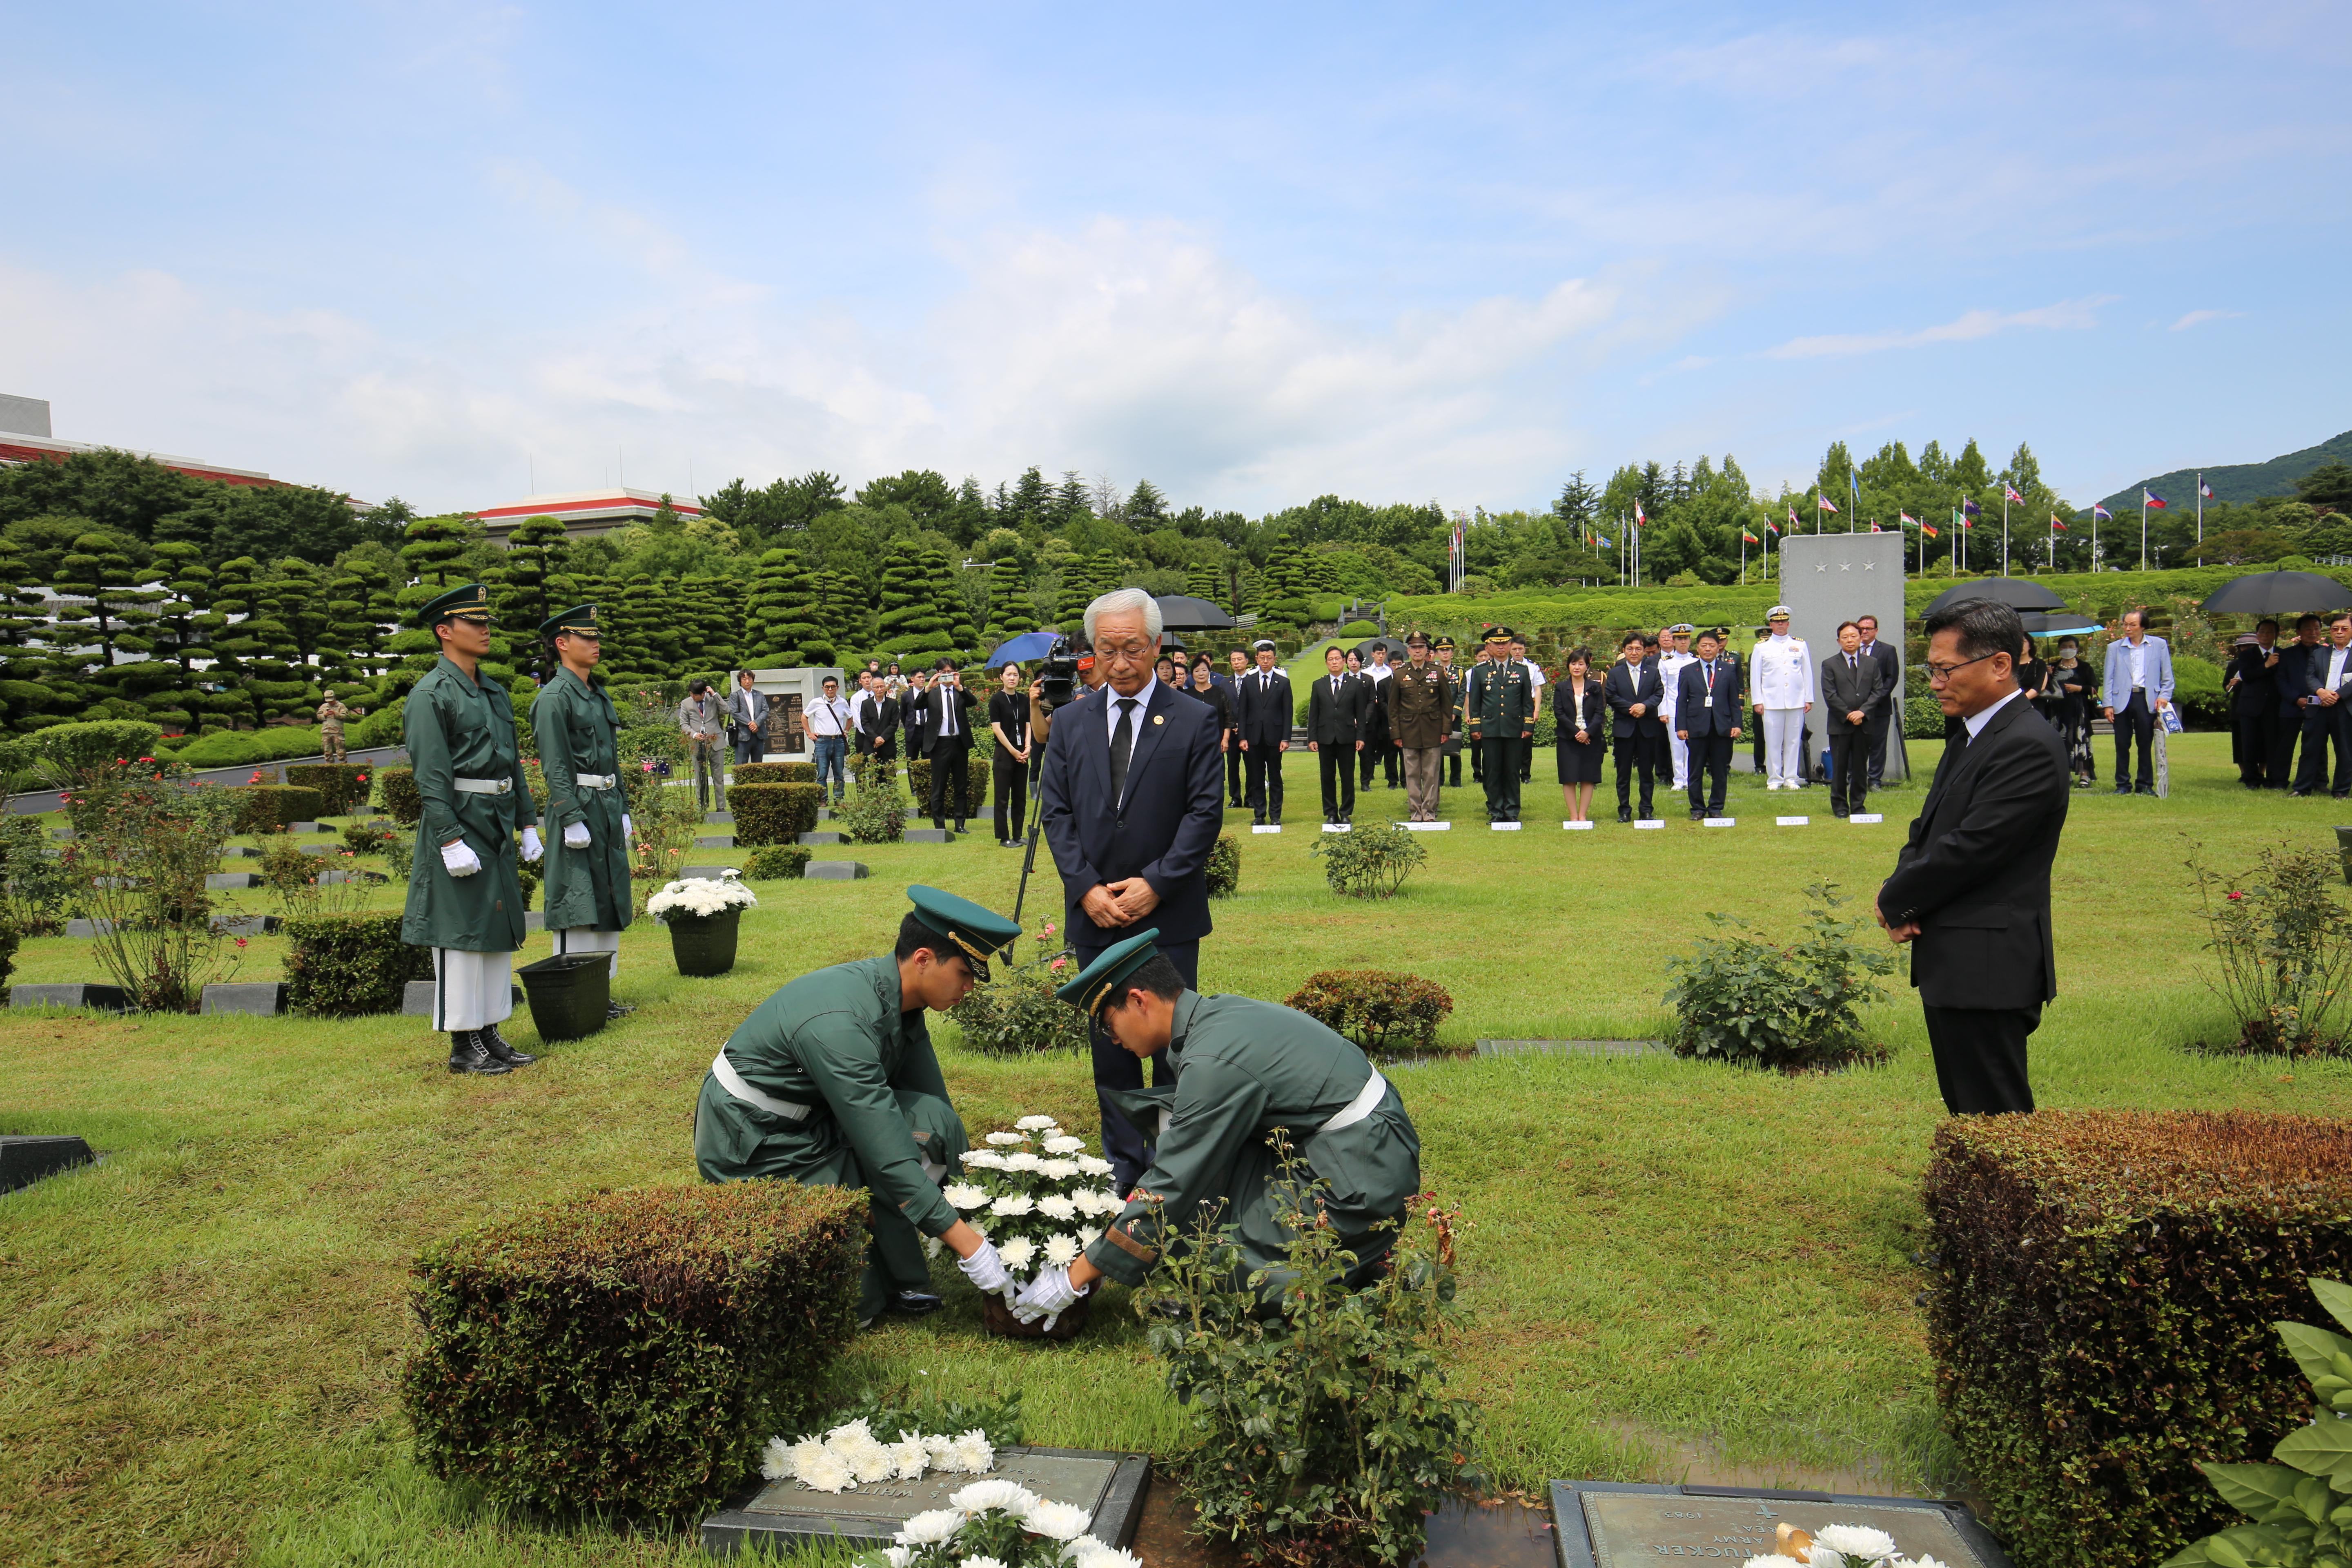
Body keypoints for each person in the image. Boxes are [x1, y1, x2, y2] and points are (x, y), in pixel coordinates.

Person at [1008, 928, 1422, 1325]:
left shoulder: (1213, 1061)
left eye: (1106, 1023)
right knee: (1193, 1187)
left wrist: (1073, 1278)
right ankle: (1364, 1259)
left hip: (1361, 1178)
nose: (1110, 1039)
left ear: (1138, 1000)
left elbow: (1172, 1184)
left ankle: (1359, 1267)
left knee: (1211, 1260)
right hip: (1360, 1148)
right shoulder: (1216, 1015)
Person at [695, 885, 1025, 1327]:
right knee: (856, 1305)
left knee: (934, 1122)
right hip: (757, 1137)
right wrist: (971, 1246)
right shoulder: (841, 1026)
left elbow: (935, 1106)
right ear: (923, 959)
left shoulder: (902, 1000)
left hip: (816, 1115)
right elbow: (885, 1150)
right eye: (965, 973)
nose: (969, 988)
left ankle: (902, 1269)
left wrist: (988, 1210)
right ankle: (884, 1271)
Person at [1035, 588, 1225, 1194]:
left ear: (1157, 645)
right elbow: (1056, 813)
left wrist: (1156, 885)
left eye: (1133, 649)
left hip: (1168, 916)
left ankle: (1179, 1168)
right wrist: (1088, 890)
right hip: (1096, 917)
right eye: (1107, 650)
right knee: (1112, 1048)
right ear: (1091, 652)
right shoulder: (1068, 722)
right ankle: (1124, 1170)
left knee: (1176, 1049)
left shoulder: (1195, 717)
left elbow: (1204, 815)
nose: (1121, 663)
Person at [1875, 599, 2070, 1116]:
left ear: (2000, 664)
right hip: (1956, 956)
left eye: (1945, 670)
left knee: (1996, 1114)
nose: (1935, 682)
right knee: (1967, 1106)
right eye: (1931, 669)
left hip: (1989, 965)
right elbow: (1929, 828)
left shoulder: (2027, 744)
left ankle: (2019, 1200)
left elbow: (1975, 847)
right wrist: (1900, 892)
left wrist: (1897, 900)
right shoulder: (1971, 734)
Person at [400, 583, 543, 1076]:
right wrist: (449, 838)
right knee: (461, 933)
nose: (485, 631)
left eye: (486, 624)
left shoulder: (494, 690)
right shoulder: (430, 695)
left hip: (498, 820)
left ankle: (488, 1031)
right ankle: (463, 1043)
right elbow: (432, 776)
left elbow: (513, 765)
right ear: (445, 631)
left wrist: (527, 822)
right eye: (474, 623)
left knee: (494, 926)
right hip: (462, 821)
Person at [531, 604, 634, 1020]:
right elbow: (554, 763)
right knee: (578, 900)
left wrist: (622, 806)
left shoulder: (596, 692)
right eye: (586, 638)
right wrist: (569, 815)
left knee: (608, 897)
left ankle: (600, 992)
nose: (595, 644)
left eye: (596, 638)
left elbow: (611, 757)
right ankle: (576, 988)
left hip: (606, 804)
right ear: (562, 644)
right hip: (579, 805)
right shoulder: (555, 697)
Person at [1463, 628, 1534, 824]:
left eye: (1505, 643)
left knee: (1512, 771)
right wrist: (1475, 727)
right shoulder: (1480, 671)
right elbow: (1475, 702)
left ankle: (1512, 811)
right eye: (1497, 643)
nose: (1501, 647)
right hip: (1490, 728)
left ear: (1511, 645)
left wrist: (1528, 725)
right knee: (1492, 771)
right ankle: (1495, 810)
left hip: (1514, 727)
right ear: (1489, 647)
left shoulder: (1522, 670)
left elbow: (1527, 702)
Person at [2101, 608, 2174, 796]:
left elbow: (2167, 676)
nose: (2127, 628)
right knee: (2122, 743)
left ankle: (2145, 784)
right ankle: (2123, 784)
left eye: (2132, 625)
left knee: (2145, 743)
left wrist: (2164, 696)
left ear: (2143, 626)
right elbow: (2108, 678)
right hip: (2121, 700)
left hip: (2147, 699)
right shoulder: (2115, 648)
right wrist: (2108, 704)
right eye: (2125, 624)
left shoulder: (2158, 645)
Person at [1820, 621, 1888, 820]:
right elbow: (1830, 694)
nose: (1850, 640)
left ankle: (1858, 805)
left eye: (1854, 636)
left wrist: (1862, 713)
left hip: (1864, 724)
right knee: (1840, 768)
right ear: (1839, 641)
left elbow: (1878, 691)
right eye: (1845, 637)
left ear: (1861, 638)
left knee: (1860, 767)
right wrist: (1849, 715)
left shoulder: (1872, 663)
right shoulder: (1830, 664)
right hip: (1840, 725)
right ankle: (1840, 806)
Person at [1674, 628, 1743, 820]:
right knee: (1695, 771)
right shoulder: (1688, 671)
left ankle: (1716, 807)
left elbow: (1734, 701)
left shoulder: (1728, 670)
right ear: (1698, 648)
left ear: (1718, 647)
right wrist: (1681, 727)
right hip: (1696, 727)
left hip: (1722, 727)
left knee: (1720, 771)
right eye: (1704, 645)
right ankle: (1697, 808)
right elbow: (1682, 700)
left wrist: (1737, 724)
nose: (1708, 649)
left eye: (1712, 646)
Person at [1387, 632, 1454, 822]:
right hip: (1408, 730)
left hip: (1433, 728)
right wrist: (1396, 733)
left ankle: (1430, 810)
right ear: (1408, 651)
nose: (1418, 651)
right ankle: (1416, 811)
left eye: (1421, 647)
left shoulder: (1438, 671)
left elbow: (1446, 703)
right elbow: (1393, 708)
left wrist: (1445, 730)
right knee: (1412, 773)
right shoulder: (1400, 674)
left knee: (1431, 773)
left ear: (1427, 650)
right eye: (1414, 648)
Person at [2290, 612, 2352, 798]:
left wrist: (2337, 695)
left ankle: (2341, 791)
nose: (2339, 633)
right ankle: (2302, 788)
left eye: (2344, 629)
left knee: (2345, 751)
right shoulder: (2319, 653)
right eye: (2335, 629)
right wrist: (2321, 692)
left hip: (2345, 708)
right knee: (2310, 749)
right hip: (2319, 706)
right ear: (2330, 632)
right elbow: (2310, 676)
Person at [1752, 607, 1814, 790]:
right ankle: (1774, 778)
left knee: (1794, 741)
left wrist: (1808, 698)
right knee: (1772, 741)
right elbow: (1756, 677)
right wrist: (1758, 701)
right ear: (1771, 624)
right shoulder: (1761, 648)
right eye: (1776, 622)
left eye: (1784, 621)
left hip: (1796, 700)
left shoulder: (1800, 645)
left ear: (1788, 623)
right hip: (1771, 702)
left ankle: (1791, 778)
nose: (1780, 624)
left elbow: (1807, 672)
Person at [1604, 632, 1664, 823]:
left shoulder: (1653, 672)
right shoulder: (1615, 673)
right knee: (1624, 773)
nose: (1634, 652)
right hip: (1625, 728)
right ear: (1624, 651)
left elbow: (1659, 693)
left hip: (1647, 728)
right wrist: (1631, 709)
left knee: (1647, 773)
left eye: (1638, 649)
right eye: (1630, 649)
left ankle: (1646, 810)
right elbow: (1611, 696)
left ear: (1644, 651)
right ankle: (1624, 811)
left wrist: (1645, 706)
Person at [1306, 645, 1367, 826]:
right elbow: (1314, 714)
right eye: (1330, 660)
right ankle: (1331, 812)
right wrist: (1313, 738)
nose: (1334, 662)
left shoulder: (1355, 684)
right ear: (1326, 663)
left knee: (1348, 777)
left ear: (1344, 661)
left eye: (1337, 659)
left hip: (1347, 737)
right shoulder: (1319, 685)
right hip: (1325, 738)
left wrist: (1361, 736)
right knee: (1327, 777)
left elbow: (1361, 714)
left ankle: (1346, 812)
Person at [1235, 638, 1292, 826]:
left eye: (1269, 658)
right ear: (1257, 660)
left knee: (1275, 777)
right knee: (1257, 777)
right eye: (1262, 658)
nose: (1266, 661)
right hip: (1253, 737)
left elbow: (1287, 712)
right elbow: (1242, 711)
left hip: (1275, 737)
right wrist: (1242, 737)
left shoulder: (1283, 682)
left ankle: (1276, 815)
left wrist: (1286, 738)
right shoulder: (1248, 681)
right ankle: (1259, 814)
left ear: (1275, 659)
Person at [919, 659, 977, 832]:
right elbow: (917, 705)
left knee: (960, 786)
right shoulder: (933, 692)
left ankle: (960, 824)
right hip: (940, 744)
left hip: (960, 743)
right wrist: (928, 687)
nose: (947, 675)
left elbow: (973, 702)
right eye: (944, 672)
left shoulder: (959, 691)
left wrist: (959, 687)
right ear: (937, 673)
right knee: (939, 788)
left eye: (950, 671)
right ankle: (940, 827)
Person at [2226, 620, 2283, 789]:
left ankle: (2273, 779)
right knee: (2249, 743)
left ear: (2276, 635)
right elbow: (2247, 676)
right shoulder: (2247, 655)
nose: (2265, 635)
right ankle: (2251, 779)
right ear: (2257, 635)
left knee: (2272, 744)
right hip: (2250, 705)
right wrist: (2267, 665)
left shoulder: (2282, 654)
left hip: (2274, 705)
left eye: (2270, 632)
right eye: (2262, 632)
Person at [1555, 647, 1606, 823]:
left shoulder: (1595, 687)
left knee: (1588, 777)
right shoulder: (1561, 687)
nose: (1577, 667)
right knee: (1569, 778)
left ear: (1587, 666)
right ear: (1569, 666)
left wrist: (1588, 732)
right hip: (1568, 738)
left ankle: (1583, 816)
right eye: (1573, 663)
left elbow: (1600, 712)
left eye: (1581, 664)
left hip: (1591, 739)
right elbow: (1559, 713)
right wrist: (1577, 733)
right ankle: (1573, 816)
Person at [2276, 616, 2325, 790]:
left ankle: (2319, 781)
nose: (2313, 632)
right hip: (2291, 705)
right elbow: (2280, 680)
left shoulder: (2326, 653)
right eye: (2308, 629)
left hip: (2319, 706)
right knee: (2285, 745)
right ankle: (2279, 780)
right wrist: (2296, 699)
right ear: (2299, 632)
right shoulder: (2286, 654)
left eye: (2317, 629)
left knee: (2318, 746)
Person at [988, 662, 1031, 848]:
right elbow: (997, 729)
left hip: (1023, 753)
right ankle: (1004, 837)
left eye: (1015, 675)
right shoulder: (996, 699)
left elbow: (1029, 724)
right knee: (1002, 797)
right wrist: (1013, 751)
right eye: (1008, 674)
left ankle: (1018, 834)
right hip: (1005, 754)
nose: (1012, 678)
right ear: (1001, 677)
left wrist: (1028, 746)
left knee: (1020, 797)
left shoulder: (1024, 699)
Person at [1855, 615, 1901, 788]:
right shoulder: (1852, 650)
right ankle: (1856, 780)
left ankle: (1875, 781)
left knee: (1878, 746)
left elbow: (1891, 678)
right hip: (1855, 708)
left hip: (1879, 708)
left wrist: (1873, 701)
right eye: (1861, 629)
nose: (1864, 632)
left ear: (1876, 631)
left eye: (1868, 628)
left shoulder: (1888, 650)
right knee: (1857, 746)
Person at [2045, 637, 2096, 786]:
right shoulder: (2053, 668)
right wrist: (2046, 674)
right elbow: (2044, 687)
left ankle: (2084, 775)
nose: (2068, 649)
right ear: (2059, 649)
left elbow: (2094, 688)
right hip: (2057, 711)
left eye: (2071, 646)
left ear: (2077, 649)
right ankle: (2064, 774)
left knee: (2081, 740)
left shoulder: (2085, 667)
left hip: (2078, 711)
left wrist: (2079, 688)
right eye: (2064, 647)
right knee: (2060, 741)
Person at [1184, 658, 1235, 793]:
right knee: (1196, 778)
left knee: (1216, 777)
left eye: (1204, 670)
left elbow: (1228, 718)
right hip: (1194, 744)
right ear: (1192, 674)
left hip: (1216, 742)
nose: (1201, 674)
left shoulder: (1220, 692)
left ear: (1209, 672)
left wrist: (1225, 739)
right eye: (1197, 671)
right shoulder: (1187, 695)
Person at [1655, 624, 1695, 795]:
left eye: (1686, 638)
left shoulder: (1696, 661)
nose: (1683, 642)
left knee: (1692, 747)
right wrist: (1663, 711)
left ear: (1690, 640)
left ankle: (1691, 779)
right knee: (1677, 746)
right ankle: (1679, 780)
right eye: (1679, 639)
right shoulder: (1666, 663)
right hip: (1673, 709)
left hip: (1693, 711)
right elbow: (1662, 688)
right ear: (1674, 641)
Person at [678, 679, 726, 811]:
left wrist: (715, 695)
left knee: (718, 777)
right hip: (697, 745)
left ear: (704, 693)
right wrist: (693, 734)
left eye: (695, 695)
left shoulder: (713, 700)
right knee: (700, 778)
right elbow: (683, 724)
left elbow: (726, 710)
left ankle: (721, 807)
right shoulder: (686, 703)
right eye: (691, 694)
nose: (693, 697)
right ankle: (702, 807)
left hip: (716, 743)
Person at [805, 675, 853, 805]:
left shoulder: (843, 702)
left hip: (838, 741)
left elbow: (850, 717)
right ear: (823, 688)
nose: (830, 690)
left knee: (839, 772)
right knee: (822, 772)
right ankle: (823, 798)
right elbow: (804, 717)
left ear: (837, 688)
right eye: (827, 687)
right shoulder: (816, 703)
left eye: (833, 687)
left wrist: (846, 730)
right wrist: (809, 733)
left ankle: (839, 798)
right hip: (822, 742)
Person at [1360, 642, 1398, 790]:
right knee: (1369, 748)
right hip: (1372, 712)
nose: (1381, 656)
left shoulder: (1390, 672)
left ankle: (1391, 778)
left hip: (1388, 713)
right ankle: (1367, 779)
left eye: (1383, 654)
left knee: (1389, 746)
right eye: (1378, 653)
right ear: (1373, 655)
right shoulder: (1368, 673)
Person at [1509, 635, 1544, 786]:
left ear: (1525, 650)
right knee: (1511, 741)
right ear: (1510, 650)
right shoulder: (1504, 666)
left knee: (1526, 742)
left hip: (1528, 706)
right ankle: (1511, 772)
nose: (1518, 652)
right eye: (1515, 649)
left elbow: (1538, 689)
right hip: (1510, 707)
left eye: (1520, 649)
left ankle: (1525, 774)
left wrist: (1536, 710)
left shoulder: (1532, 667)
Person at [853, 670, 900, 777]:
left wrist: (882, 738)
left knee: (890, 775)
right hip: (871, 745)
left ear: (885, 687)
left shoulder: (893, 703)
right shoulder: (866, 704)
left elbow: (894, 724)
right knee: (873, 776)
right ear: (873, 689)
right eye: (876, 687)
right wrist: (875, 738)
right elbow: (865, 723)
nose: (879, 689)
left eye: (882, 687)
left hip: (888, 744)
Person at [1221, 648, 1250, 807]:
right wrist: (1233, 725)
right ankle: (1235, 798)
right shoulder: (1225, 684)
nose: (1237, 662)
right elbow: (1223, 707)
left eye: (1240, 659)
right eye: (1233, 660)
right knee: (1233, 766)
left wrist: (1243, 725)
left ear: (1247, 661)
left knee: (1252, 765)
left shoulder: (1254, 681)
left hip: (1250, 732)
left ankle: (1250, 797)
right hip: (1231, 732)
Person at [1434, 636, 1464, 788]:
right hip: (1436, 717)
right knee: (1437, 749)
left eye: (1448, 650)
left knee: (1455, 748)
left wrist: (1455, 713)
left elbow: (1462, 693)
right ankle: (1438, 780)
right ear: (1437, 653)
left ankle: (1456, 781)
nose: (1445, 653)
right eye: (1442, 650)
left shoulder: (1459, 672)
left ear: (1452, 653)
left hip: (1454, 717)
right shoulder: (1433, 671)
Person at [728, 669, 769, 768]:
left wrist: (757, 723)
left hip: (759, 734)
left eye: (750, 679)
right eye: (744, 679)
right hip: (743, 735)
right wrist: (750, 724)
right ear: (740, 681)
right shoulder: (735, 696)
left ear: (753, 680)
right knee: (741, 767)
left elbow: (766, 710)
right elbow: (735, 713)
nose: (747, 681)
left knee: (758, 766)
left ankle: (756, 784)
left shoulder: (760, 695)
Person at [317, 693, 359, 764]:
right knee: (327, 751)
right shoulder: (324, 706)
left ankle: (343, 766)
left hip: (337, 731)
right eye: (328, 701)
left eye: (331, 700)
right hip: (326, 731)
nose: (330, 702)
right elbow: (319, 716)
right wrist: (325, 715)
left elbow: (345, 716)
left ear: (335, 698)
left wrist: (335, 713)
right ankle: (330, 767)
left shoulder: (341, 706)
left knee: (341, 751)